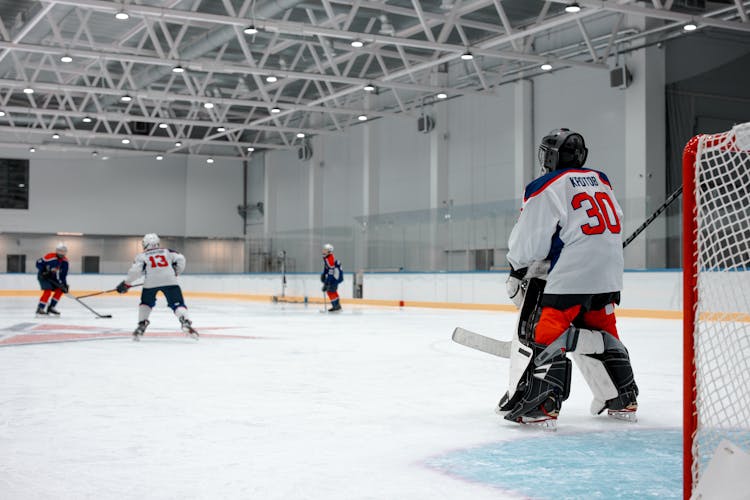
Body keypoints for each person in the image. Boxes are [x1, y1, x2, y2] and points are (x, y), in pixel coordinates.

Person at [497, 128, 638, 429]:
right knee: (601, 325)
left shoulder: (545, 185)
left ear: (549, 156)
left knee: (544, 328)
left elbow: (530, 240)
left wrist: (516, 269)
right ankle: (622, 397)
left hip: (572, 274)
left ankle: (542, 403)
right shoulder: (602, 180)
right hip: (609, 274)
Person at [115, 233, 197, 340]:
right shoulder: (168, 251)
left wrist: (127, 283)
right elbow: (181, 258)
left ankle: (141, 325)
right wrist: (176, 271)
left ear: (144, 244)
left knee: (146, 303)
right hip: (170, 280)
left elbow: (135, 271)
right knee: (177, 304)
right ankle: (184, 321)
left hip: (150, 282)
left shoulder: (142, 256)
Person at [35, 243, 70, 316]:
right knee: (47, 291)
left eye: (64, 251)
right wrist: (43, 271)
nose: (62, 253)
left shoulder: (65, 262)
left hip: (52, 277)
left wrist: (64, 284)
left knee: (60, 290)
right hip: (43, 276)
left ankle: (51, 307)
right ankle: (40, 308)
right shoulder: (50, 256)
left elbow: (63, 275)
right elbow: (38, 263)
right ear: (57, 251)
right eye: (60, 251)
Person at [320, 243, 344, 312]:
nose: (323, 251)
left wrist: (327, 282)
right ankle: (336, 306)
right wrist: (324, 274)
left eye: (325, 250)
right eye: (323, 249)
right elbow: (326, 267)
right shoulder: (326, 257)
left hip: (335, 277)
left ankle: (336, 306)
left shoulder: (329, 259)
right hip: (334, 276)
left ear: (329, 251)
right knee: (332, 291)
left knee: (330, 291)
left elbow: (331, 271)